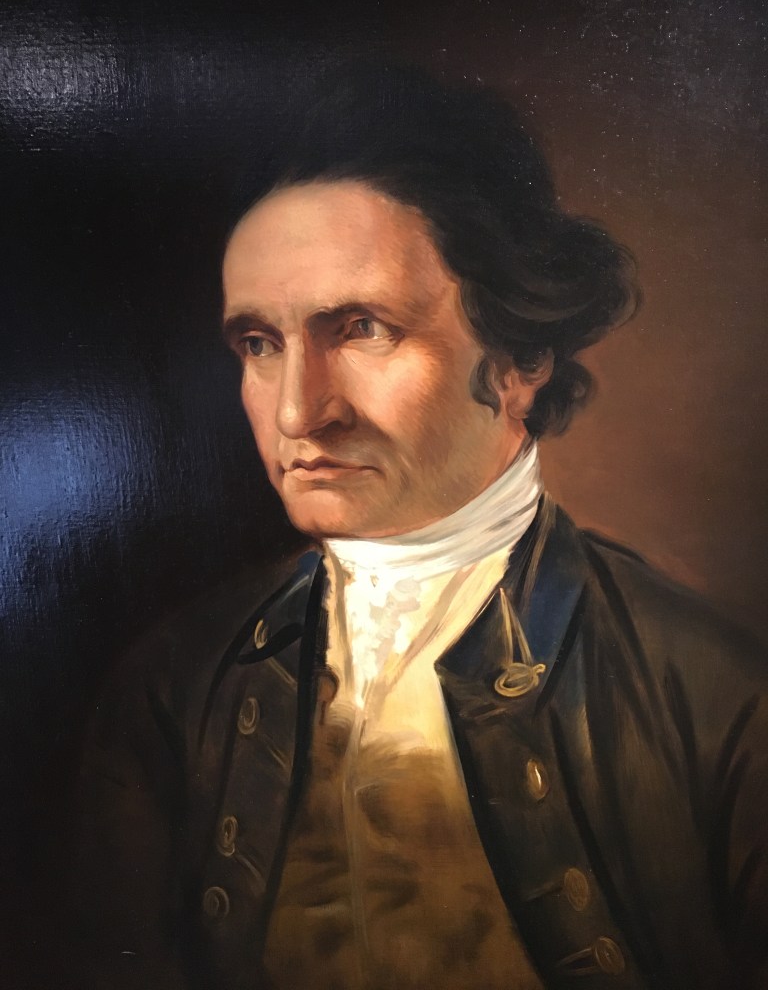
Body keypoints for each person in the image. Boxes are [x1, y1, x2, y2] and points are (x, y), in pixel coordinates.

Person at [69, 62, 768, 990]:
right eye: (260, 344)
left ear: (519, 356)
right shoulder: (172, 689)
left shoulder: (717, 704)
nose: (298, 413)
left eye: (362, 328)